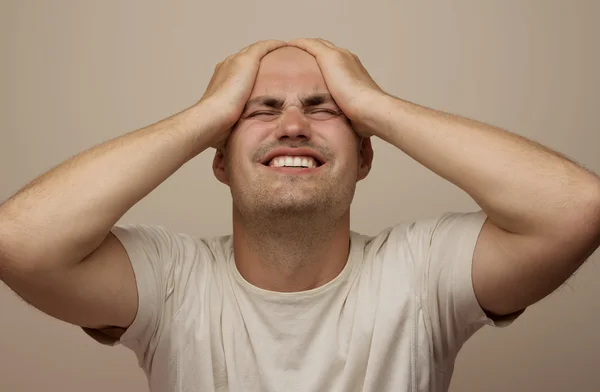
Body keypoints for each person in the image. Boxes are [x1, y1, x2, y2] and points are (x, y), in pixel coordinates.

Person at [1, 38, 599, 392]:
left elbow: (576, 208)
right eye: (259, 111)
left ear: (365, 155)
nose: (293, 125)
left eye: (322, 109)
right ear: (218, 161)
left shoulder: (421, 273)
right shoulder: (173, 281)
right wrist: (207, 113)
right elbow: (19, 242)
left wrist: (374, 104)